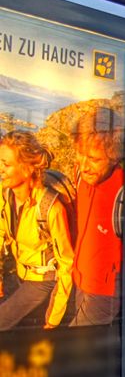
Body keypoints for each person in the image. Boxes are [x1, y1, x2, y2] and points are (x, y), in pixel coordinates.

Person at [0, 131, 74, 330]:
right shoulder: (5, 194)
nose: (1, 169)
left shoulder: (50, 208)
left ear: (27, 169)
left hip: (44, 280)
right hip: (20, 272)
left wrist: (53, 319)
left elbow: (67, 266)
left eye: (6, 164)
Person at [69, 107, 125, 326]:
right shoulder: (81, 177)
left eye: (93, 159)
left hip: (103, 292)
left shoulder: (122, 190)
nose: (84, 166)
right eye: (80, 154)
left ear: (114, 157)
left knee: (73, 343)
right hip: (80, 280)